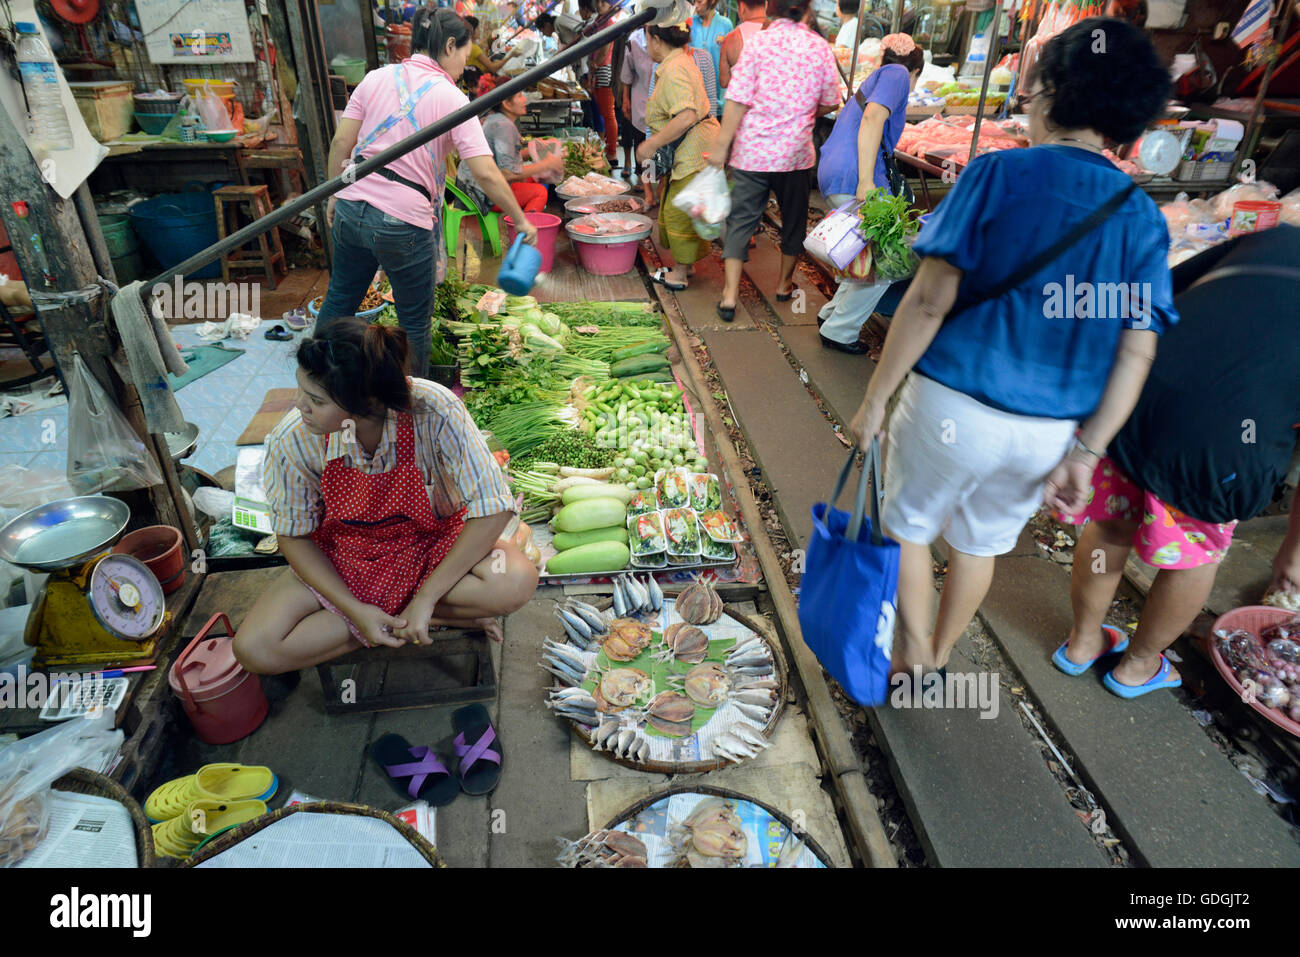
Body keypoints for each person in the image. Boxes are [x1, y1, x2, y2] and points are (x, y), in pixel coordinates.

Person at [846, 18, 1175, 676]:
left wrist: (875, 399)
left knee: (907, 526)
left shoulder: (997, 175)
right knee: (979, 544)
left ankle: (908, 653)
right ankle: (937, 655)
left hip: (951, 406)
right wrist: (1087, 452)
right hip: (1048, 434)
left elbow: (930, 300)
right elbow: (1136, 353)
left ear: (1050, 90)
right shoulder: (1140, 217)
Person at [1056, 225, 1300, 697]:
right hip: (1225, 443)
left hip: (1138, 392)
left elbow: (1162, 291)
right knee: (1194, 557)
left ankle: (1083, 643)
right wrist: (1292, 554)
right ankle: (1138, 666)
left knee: (1109, 526)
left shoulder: (1276, 238)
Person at [234, 319, 539, 674]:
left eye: (316, 400)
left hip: (432, 548)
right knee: (255, 649)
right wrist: (353, 609)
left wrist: (426, 597)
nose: (300, 406)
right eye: (301, 391)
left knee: (516, 579)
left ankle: (417, 613)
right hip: (345, 561)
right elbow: (294, 536)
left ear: (367, 401)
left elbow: (493, 508)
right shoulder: (293, 440)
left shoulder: (432, 409)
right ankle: (399, 619)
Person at [319, 11, 537, 378]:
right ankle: (412, 405)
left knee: (340, 299)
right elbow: (485, 171)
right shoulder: (452, 98)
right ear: (449, 46)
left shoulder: (376, 78)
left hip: (352, 207)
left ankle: (319, 377)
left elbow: (343, 141)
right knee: (414, 322)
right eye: (464, 56)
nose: (463, 66)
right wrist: (520, 218)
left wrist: (333, 194)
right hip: (402, 222)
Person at [707, 0, 841, 321]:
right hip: (796, 155)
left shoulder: (757, 45)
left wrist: (721, 147)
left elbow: (736, 99)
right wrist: (802, 113)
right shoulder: (820, 48)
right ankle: (783, 284)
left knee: (740, 221)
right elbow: (830, 101)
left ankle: (729, 296)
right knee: (793, 221)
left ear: (771, 10)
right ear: (806, 11)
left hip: (753, 152)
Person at [816, 33, 922, 353]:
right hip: (854, 176)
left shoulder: (877, 75)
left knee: (864, 253)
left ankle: (831, 315)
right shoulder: (897, 74)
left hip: (836, 170)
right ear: (915, 70)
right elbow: (874, 117)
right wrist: (865, 180)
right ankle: (840, 330)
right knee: (889, 261)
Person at [637, 23, 721, 291]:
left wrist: (652, 144)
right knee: (682, 206)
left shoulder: (674, 70)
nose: (646, 45)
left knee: (679, 210)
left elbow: (686, 114)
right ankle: (687, 265)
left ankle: (680, 274)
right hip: (692, 147)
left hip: (694, 149)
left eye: (647, 39)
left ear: (657, 39)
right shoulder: (677, 63)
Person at [457, 91, 562, 213]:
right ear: (506, 104)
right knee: (540, 192)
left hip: (476, 184)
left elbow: (500, 158)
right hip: (478, 192)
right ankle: (524, 228)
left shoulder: (498, 120)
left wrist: (529, 152)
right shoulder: (503, 127)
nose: (524, 100)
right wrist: (546, 164)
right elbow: (508, 173)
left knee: (535, 178)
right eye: (519, 96)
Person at [620, 27, 655, 201]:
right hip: (640, 98)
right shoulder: (634, 40)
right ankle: (644, 181)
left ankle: (653, 180)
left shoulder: (665, 34)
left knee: (654, 144)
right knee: (640, 140)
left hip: (660, 97)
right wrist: (625, 99)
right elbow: (627, 73)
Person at [587, 0, 620, 166]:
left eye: (603, 2)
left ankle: (612, 153)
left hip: (605, 68)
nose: (599, 5)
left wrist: (595, 64)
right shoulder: (598, 22)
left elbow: (605, 48)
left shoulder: (609, 23)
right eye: (597, 2)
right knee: (604, 112)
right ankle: (609, 149)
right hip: (597, 69)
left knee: (608, 113)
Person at [690, 0, 732, 114]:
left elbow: (731, 61)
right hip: (694, 93)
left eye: (699, 2)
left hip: (719, 93)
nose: (696, 6)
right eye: (694, 2)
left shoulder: (725, 25)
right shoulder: (690, 24)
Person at [717, 0, 767, 89]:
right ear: (766, 4)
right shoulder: (778, 32)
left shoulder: (730, 40)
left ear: (742, 7)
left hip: (742, 101)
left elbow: (724, 82)